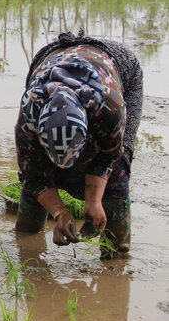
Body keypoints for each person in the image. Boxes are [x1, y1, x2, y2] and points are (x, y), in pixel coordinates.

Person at [14, 29, 143, 259]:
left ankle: (116, 257)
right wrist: (59, 212)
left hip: (117, 67)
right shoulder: (28, 119)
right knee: (38, 170)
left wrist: (94, 200)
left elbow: (108, 156)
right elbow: (33, 174)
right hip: (51, 58)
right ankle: (27, 238)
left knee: (118, 171)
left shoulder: (109, 109)